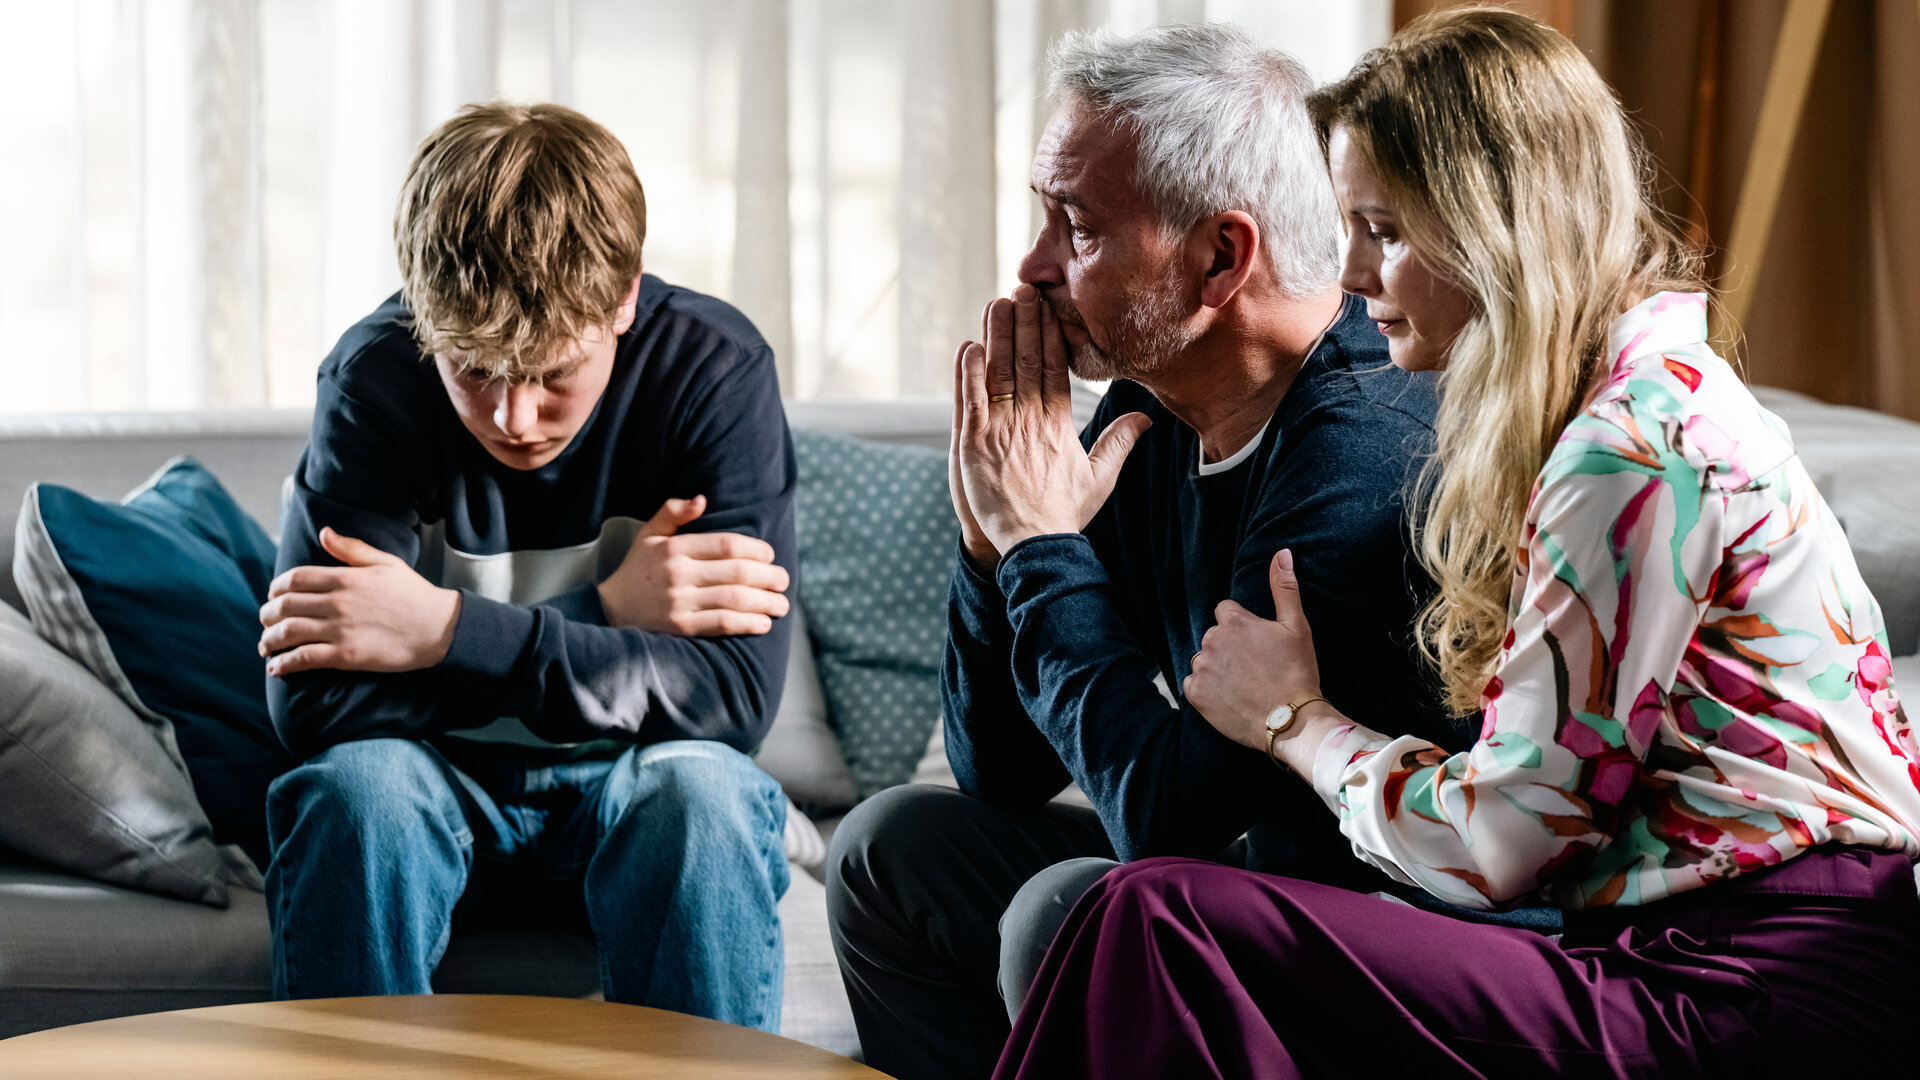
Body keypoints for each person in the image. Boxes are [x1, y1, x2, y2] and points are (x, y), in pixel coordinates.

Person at [988, 10, 1920, 1078]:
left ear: (1495, 232)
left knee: (1161, 920)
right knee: (1143, 919)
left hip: (1759, 993)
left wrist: (1294, 721)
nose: (1347, 275)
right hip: (1676, 958)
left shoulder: (1637, 446)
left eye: (1383, 231)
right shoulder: (1613, 418)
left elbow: (1499, 846)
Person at [829, 24, 1465, 1080]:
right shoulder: (1151, 414)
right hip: (1212, 879)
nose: (1032, 269)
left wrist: (1041, 541)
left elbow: (1168, 826)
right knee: (889, 852)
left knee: (1070, 912)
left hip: (1369, 929)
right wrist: (993, 550)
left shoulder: (1366, 447)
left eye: (1074, 227)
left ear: (1221, 257)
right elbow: (1000, 767)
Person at [258, 103, 796, 1031]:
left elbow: (735, 703)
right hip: (430, 785)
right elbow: (310, 705)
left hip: (636, 781)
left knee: (703, 793)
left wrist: (436, 631)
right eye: (472, 370)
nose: (513, 417)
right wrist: (612, 614)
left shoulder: (714, 371)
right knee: (354, 793)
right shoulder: (373, 380)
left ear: (624, 298)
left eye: (553, 374)